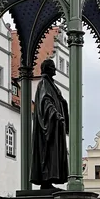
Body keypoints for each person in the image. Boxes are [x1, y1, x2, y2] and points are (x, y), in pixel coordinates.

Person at [30, 58, 69, 188]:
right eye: (52, 67)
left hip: (55, 127)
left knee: (54, 154)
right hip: (48, 127)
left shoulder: (51, 84)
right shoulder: (44, 84)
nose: (55, 69)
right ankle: (45, 180)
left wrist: (63, 103)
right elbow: (46, 102)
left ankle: (48, 180)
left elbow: (56, 100)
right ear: (47, 69)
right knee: (48, 154)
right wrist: (56, 115)